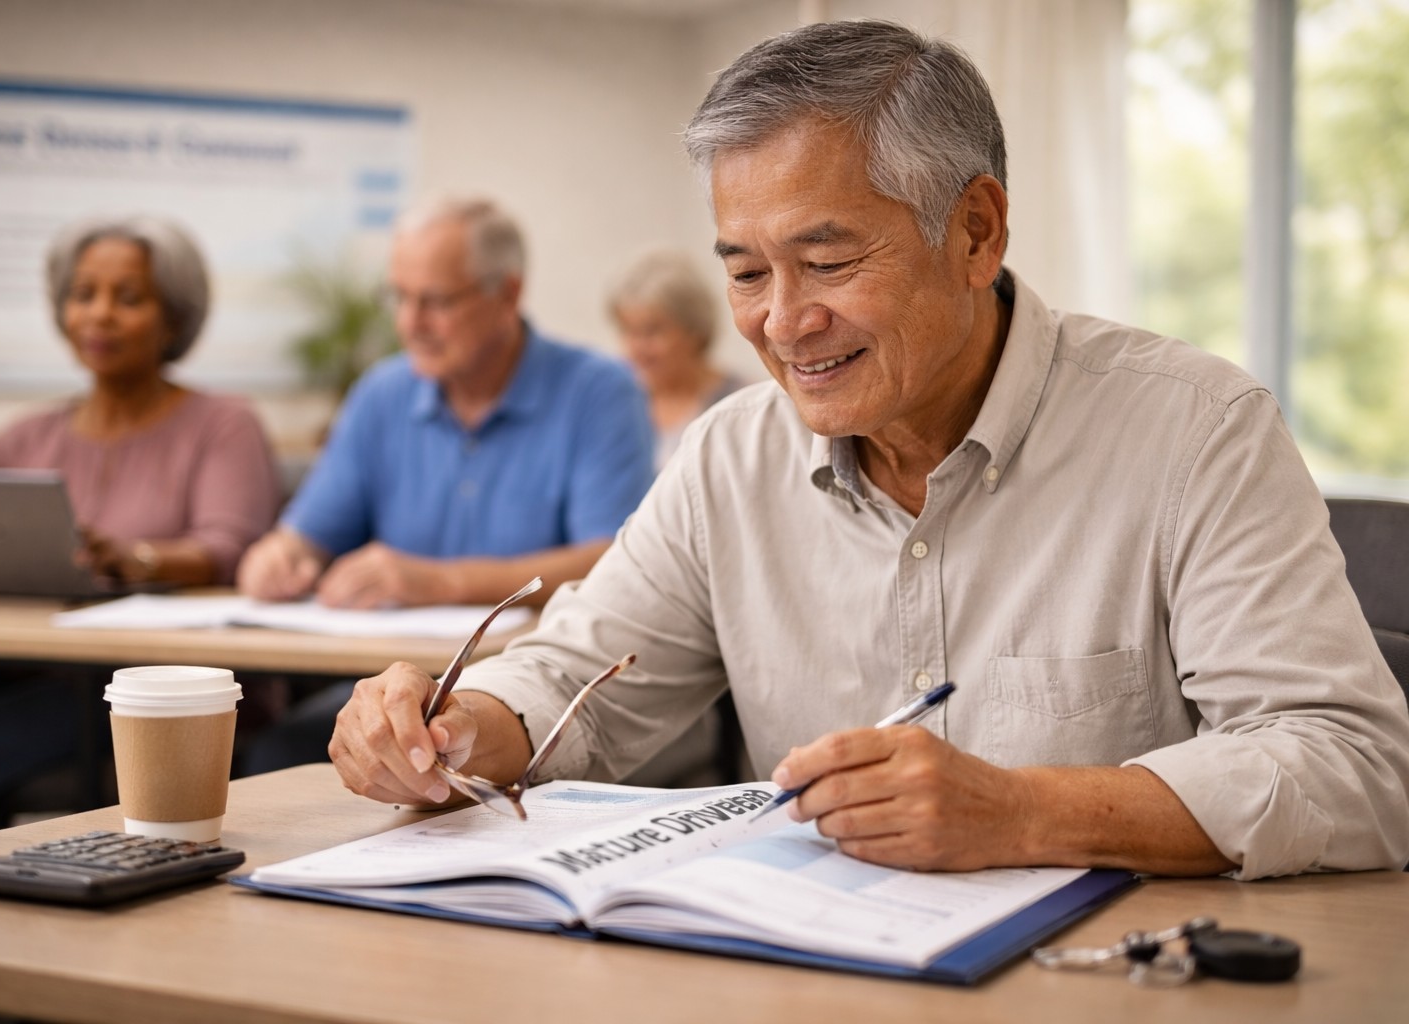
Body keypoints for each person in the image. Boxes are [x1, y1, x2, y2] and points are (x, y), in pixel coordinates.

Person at [323, 21, 1409, 881]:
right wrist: (453, 727)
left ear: (976, 232)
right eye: (746, 273)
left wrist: (1025, 809)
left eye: (828, 260)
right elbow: (576, 681)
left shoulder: (1192, 430)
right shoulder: (728, 460)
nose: (784, 323)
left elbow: (1357, 766)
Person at [0, 215, 281, 852]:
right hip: (23, 670)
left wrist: (136, 558)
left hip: (147, 690)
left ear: (173, 317)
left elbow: (230, 549)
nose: (100, 316)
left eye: (129, 297)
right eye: (82, 294)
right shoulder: (30, 434)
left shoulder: (224, 424)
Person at [235, 196, 653, 773]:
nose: (409, 323)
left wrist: (434, 581)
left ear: (506, 293)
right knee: (281, 755)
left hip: (538, 682)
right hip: (386, 685)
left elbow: (613, 563)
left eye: (435, 301)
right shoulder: (382, 394)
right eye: (400, 297)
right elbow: (306, 536)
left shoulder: (600, 392)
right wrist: (279, 555)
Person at [608, 250, 747, 471]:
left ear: (693, 329)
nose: (637, 348)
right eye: (628, 331)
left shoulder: (742, 406)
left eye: (651, 331)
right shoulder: (617, 402)